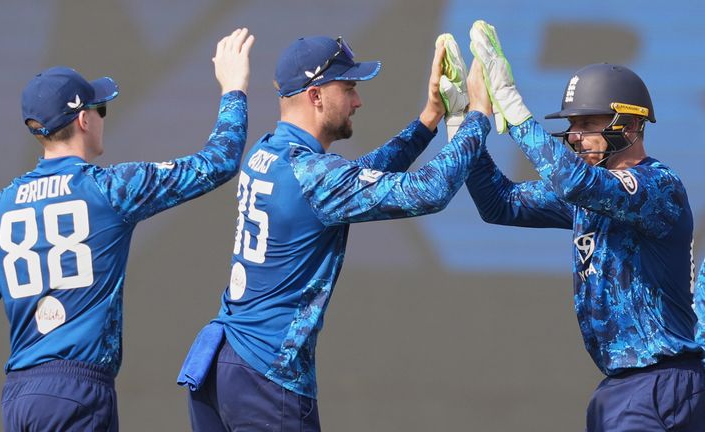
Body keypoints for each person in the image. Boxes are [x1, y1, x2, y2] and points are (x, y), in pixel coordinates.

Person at [0, 28, 254, 432]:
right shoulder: (110, 190)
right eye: (100, 109)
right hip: (79, 391)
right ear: (84, 119)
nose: (103, 117)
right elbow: (219, 162)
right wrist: (233, 89)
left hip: (18, 398)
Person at [178, 33, 491, 431]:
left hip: (220, 366)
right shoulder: (313, 175)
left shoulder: (268, 150)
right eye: (348, 89)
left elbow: (354, 179)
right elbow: (429, 191)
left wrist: (428, 119)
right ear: (316, 96)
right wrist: (477, 117)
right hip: (266, 378)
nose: (357, 101)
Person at [465, 20, 705, 431]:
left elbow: (576, 183)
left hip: (659, 381)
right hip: (626, 386)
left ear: (630, 125)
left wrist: (513, 107)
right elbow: (498, 203)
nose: (575, 136)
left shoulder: (658, 185)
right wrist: (465, 125)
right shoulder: (587, 193)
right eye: (572, 125)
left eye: (588, 124)